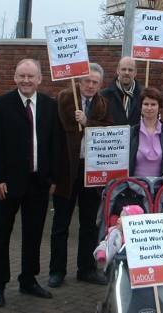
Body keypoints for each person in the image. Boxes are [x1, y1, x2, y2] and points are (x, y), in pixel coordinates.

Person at [0, 59, 58, 305]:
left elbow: (54, 144)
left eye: (31, 76)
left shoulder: (51, 105)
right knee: (1, 236)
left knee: (34, 234)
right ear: (15, 77)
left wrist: (52, 179)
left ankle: (28, 279)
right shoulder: (0, 104)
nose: (26, 80)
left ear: (40, 79)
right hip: (8, 184)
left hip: (38, 183)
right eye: (21, 76)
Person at [48, 63, 112, 288]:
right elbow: (52, 140)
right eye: (87, 81)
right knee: (60, 225)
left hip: (92, 173)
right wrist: (52, 177)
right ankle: (57, 271)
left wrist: (88, 122)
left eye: (95, 82)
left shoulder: (104, 104)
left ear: (100, 85)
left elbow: (109, 133)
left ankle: (86, 268)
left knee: (89, 224)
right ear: (79, 81)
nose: (90, 85)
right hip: (66, 172)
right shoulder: (63, 100)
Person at [129, 87, 163, 180]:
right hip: (133, 188)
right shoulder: (131, 133)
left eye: (153, 104)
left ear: (159, 107)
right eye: (146, 104)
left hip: (160, 190)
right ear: (140, 107)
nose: (149, 108)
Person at [101, 56, 142, 126]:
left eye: (130, 70)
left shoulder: (143, 95)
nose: (127, 73)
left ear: (135, 72)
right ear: (118, 70)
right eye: (123, 69)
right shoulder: (104, 96)